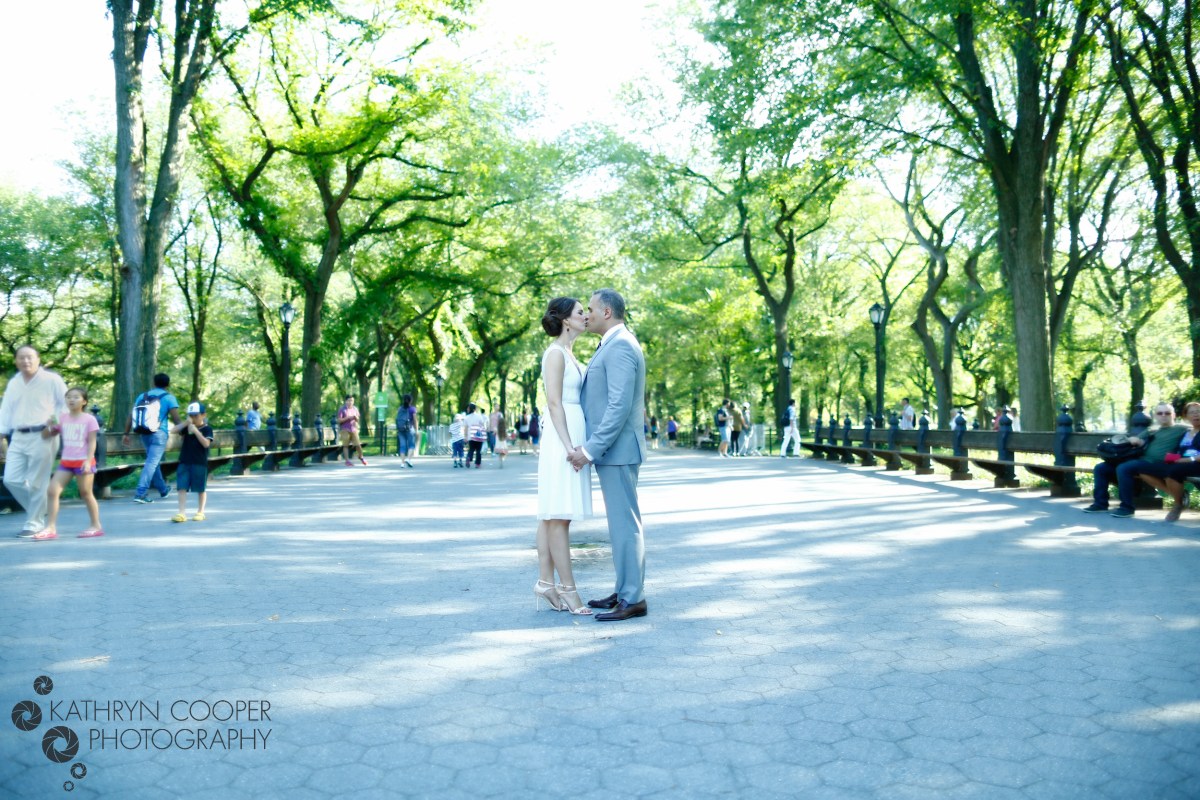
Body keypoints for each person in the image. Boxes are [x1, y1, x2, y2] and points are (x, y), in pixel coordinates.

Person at [567, 288, 648, 622]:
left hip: (618, 451)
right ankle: (624, 589)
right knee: (619, 526)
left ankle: (633, 598)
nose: (586, 314)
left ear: (606, 313)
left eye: (590, 308)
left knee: (625, 526)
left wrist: (589, 449)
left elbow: (619, 406)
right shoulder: (612, 345)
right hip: (614, 452)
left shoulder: (622, 346)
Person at [533, 298, 594, 615]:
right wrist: (570, 446)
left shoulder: (570, 353)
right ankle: (569, 589)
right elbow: (554, 403)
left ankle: (546, 581)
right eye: (580, 312)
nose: (586, 315)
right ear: (566, 320)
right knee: (559, 515)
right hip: (561, 437)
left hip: (571, 432)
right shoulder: (554, 353)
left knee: (551, 512)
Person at [0, 346, 68, 536]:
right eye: (21, 358)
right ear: (16, 361)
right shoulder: (14, 383)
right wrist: (1, 434)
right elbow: (6, 410)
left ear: (38, 359)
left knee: (38, 481)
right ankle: (42, 506)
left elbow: (66, 402)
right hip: (18, 436)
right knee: (11, 479)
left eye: (30, 357)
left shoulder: (51, 379)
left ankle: (34, 523)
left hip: (43, 435)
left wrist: (54, 423)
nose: (26, 361)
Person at [1082, 402, 1186, 518]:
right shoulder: (1152, 429)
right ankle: (1100, 504)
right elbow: (1133, 439)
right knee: (1101, 468)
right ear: (1155, 416)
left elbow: (1194, 434)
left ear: (1174, 415)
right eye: (1159, 413)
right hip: (1142, 461)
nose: (1163, 415)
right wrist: (1136, 440)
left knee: (1124, 468)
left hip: (1161, 463)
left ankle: (1127, 507)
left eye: (1167, 413)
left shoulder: (1181, 429)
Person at [43, 387, 103, 540]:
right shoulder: (62, 418)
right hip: (66, 462)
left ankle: (96, 526)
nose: (71, 400)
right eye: (69, 397)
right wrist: (48, 425)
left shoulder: (90, 419)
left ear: (84, 401)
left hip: (83, 461)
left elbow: (92, 442)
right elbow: (46, 436)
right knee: (52, 491)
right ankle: (50, 528)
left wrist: (88, 461)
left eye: (76, 397)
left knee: (85, 493)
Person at [123, 372, 181, 504]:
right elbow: (176, 419)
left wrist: (126, 434)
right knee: (152, 463)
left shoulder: (142, 396)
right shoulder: (169, 398)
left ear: (153, 383)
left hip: (144, 433)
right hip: (159, 434)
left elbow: (130, 415)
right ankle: (141, 493)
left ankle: (163, 490)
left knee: (153, 462)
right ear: (168, 384)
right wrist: (185, 432)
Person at [1149, 401, 1200, 522]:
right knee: (1152, 468)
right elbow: (1179, 450)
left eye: (1198, 412)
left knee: (1173, 471)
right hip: (1184, 463)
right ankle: (1179, 501)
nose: (1196, 415)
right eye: (1192, 412)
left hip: (1196, 463)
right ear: (1186, 416)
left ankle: (1178, 504)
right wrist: (1173, 457)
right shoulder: (1186, 433)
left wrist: (1187, 459)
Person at [170, 402, 212, 523]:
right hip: (185, 460)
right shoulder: (186, 426)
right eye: (190, 415)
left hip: (199, 462)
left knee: (200, 488)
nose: (193, 418)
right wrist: (186, 423)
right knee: (181, 487)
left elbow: (206, 443)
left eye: (196, 415)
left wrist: (196, 431)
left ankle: (200, 511)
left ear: (203, 415)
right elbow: (173, 430)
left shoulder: (207, 429)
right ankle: (182, 513)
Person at [337, 394, 367, 466]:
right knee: (346, 445)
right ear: (346, 401)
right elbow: (339, 420)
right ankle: (347, 460)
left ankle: (361, 456)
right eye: (349, 400)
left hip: (353, 429)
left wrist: (356, 418)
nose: (350, 402)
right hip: (345, 429)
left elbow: (357, 419)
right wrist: (347, 418)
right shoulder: (342, 409)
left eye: (352, 401)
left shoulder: (355, 409)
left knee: (358, 444)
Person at [395, 394, 417, 468]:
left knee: (402, 446)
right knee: (411, 445)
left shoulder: (400, 409)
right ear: (410, 401)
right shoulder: (412, 409)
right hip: (409, 428)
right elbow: (415, 420)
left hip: (401, 429)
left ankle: (402, 463)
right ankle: (408, 459)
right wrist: (416, 430)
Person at [463, 403, 487, 468]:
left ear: (469, 409)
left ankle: (469, 458)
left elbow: (465, 428)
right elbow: (482, 425)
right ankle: (477, 464)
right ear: (475, 409)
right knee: (478, 450)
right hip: (478, 435)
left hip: (470, 436)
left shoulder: (466, 418)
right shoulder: (479, 416)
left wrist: (465, 437)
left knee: (471, 449)